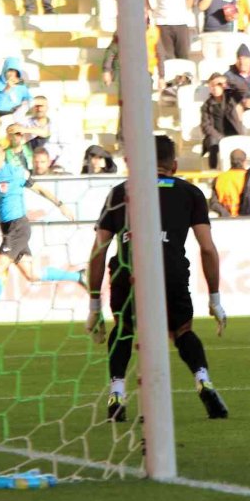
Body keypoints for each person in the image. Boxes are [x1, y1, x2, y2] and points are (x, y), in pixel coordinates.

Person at [86, 135, 229, 421]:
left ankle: (116, 392)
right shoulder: (190, 193)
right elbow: (208, 249)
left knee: (124, 328)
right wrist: (215, 299)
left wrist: (93, 306)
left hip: (128, 270)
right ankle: (203, 379)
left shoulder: (119, 192)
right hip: (170, 269)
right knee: (183, 331)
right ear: (173, 165)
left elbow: (98, 251)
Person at [0, 138, 82, 326]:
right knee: (32, 274)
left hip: (19, 227)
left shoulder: (16, 172)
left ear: (3, 155)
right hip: (7, 230)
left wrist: (60, 205)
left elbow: (40, 189)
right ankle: (80, 276)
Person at [201, 72, 245, 169]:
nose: (214, 88)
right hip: (216, 136)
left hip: (234, 133)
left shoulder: (231, 98)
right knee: (212, 142)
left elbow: (243, 89)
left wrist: (227, 81)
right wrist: (220, 138)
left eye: (217, 85)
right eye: (211, 86)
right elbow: (205, 126)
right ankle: (213, 169)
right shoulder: (206, 106)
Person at [209, 149, 248, 216]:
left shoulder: (219, 178)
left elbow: (213, 203)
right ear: (245, 162)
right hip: (247, 219)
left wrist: (226, 214)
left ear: (230, 161)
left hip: (225, 219)